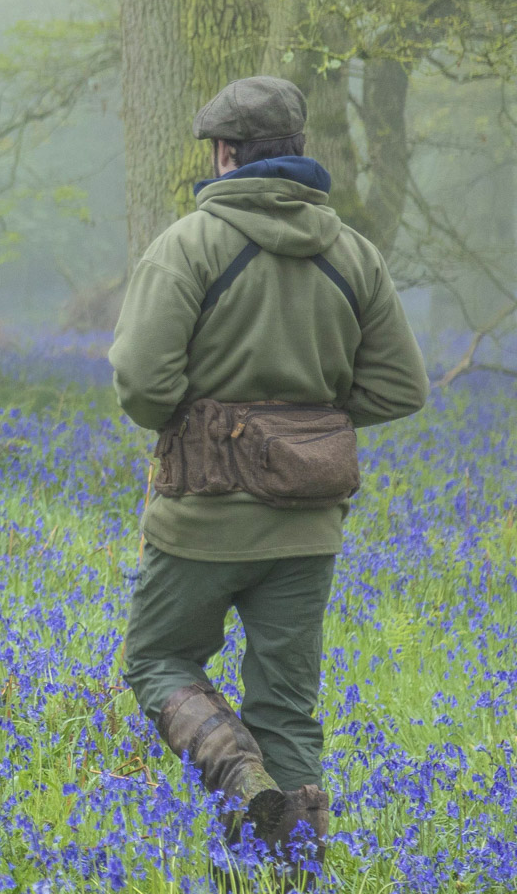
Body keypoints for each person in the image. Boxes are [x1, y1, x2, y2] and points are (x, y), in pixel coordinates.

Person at [110, 76, 427, 870]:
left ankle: (240, 777)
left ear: (225, 154)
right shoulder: (353, 254)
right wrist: (305, 426)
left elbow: (143, 386)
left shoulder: (187, 245)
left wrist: (220, 425)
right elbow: (399, 387)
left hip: (202, 520)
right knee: (287, 706)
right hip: (307, 527)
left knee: (156, 659)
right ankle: (292, 870)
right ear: (297, 155)